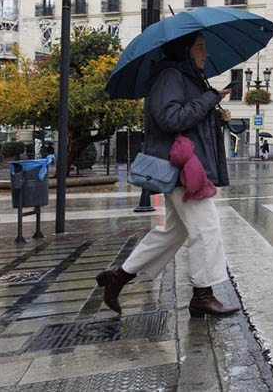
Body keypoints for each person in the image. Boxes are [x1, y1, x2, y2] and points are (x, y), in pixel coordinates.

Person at [96, 32, 238, 318]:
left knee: (173, 231)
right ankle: (202, 294)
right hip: (183, 168)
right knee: (206, 228)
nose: (206, 54)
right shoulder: (169, 76)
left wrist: (216, 114)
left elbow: (188, 120)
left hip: (188, 166)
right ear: (185, 50)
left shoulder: (186, 78)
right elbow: (170, 119)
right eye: (200, 48)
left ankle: (119, 276)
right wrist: (210, 98)